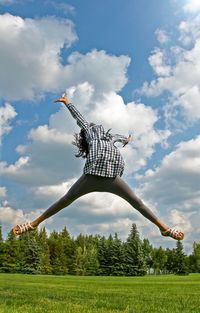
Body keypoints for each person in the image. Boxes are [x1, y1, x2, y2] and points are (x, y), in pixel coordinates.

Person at [12, 94, 184, 240]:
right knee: (65, 200)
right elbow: (79, 117)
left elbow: (119, 137)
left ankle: (163, 228)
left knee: (137, 202)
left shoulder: (109, 138)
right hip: (92, 176)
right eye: (93, 126)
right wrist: (67, 102)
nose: (96, 125)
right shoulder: (89, 131)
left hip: (112, 178)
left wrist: (127, 140)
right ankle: (34, 224)